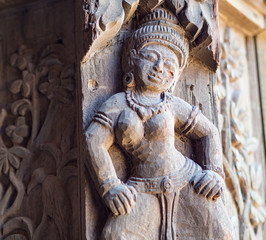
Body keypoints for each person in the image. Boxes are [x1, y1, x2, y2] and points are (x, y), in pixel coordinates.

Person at [85, 8, 234, 240]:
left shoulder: (171, 104)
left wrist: (214, 171)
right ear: (132, 58)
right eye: (151, 57)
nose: (159, 69)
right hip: (141, 188)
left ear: (175, 77)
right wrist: (110, 186)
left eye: (169, 66)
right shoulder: (118, 104)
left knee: (220, 234)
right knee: (114, 236)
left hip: (187, 181)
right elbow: (92, 140)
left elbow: (208, 132)